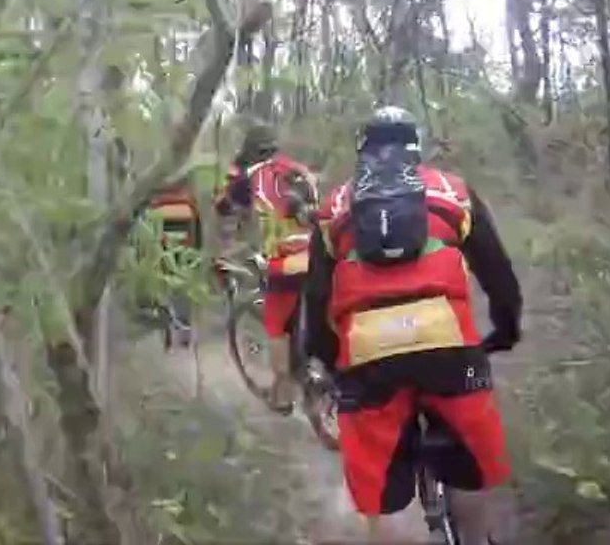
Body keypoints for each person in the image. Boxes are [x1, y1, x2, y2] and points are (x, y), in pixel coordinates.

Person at [302, 106, 523, 545]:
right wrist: (505, 327)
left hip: (368, 359)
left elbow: (316, 299)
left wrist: (331, 362)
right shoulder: (452, 190)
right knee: (470, 472)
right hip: (450, 349)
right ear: (415, 149)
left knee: (379, 493)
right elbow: (497, 271)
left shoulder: (334, 207)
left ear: (363, 152)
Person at [214, 122, 318, 413]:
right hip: (321, 258)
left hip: (286, 261)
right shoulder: (301, 171)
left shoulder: (252, 176)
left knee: (276, 326)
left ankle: (283, 395)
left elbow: (224, 206)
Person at [146, 179, 203, 349]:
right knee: (181, 289)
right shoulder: (187, 199)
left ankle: (168, 328)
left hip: (164, 240)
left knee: (164, 285)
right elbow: (197, 231)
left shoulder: (157, 199)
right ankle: (183, 332)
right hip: (184, 244)